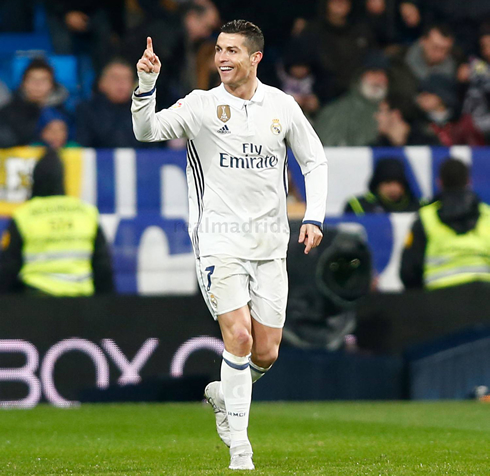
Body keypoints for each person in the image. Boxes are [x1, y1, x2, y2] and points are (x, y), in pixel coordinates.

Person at [131, 20, 328, 470]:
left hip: (270, 243)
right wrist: (146, 83)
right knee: (237, 336)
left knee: (265, 352)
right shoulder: (201, 106)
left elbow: (314, 160)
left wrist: (314, 216)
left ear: (255, 57)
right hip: (217, 239)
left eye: (232, 51)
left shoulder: (281, 106)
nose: (222, 58)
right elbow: (147, 131)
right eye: (219, 49)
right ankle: (241, 449)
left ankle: (224, 393)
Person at [0, 150, 114, 295]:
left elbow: (8, 267)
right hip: (81, 302)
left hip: (36, 300)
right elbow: (103, 267)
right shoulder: (86, 213)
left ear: (35, 178)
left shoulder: (25, 215)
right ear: (62, 178)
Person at [400, 158, 490, 290]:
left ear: (439, 183)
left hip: (439, 300)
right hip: (484, 299)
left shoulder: (425, 218)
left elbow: (409, 271)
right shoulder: (487, 215)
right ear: (469, 182)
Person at [314, 54, 389, 146]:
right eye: (374, 72)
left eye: (383, 74)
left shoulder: (395, 112)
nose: (379, 79)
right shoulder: (336, 111)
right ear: (360, 76)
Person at [0, 58, 69, 148]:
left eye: (43, 80)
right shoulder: (7, 112)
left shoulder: (65, 113)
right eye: (32, 79)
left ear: (52, 85)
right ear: (23, 83)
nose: (37, 85)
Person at [76, 59, 141, 148]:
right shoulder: (86, 110)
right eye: (115, 78)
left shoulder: (143, 110)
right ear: (101, 83)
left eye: (126, 78)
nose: (121, 83)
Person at [416, 74, 485, 146]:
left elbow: (477, 151)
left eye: (427, 94)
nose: (421, 98)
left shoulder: (463, 122)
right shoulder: (419, 125)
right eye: (420, 95)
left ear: (442, 95)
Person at [344, 157, 420, 215]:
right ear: (377, 185)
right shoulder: (358, 207)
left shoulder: (420, 206)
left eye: (398, 183)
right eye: (388, 183)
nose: (393, 188)